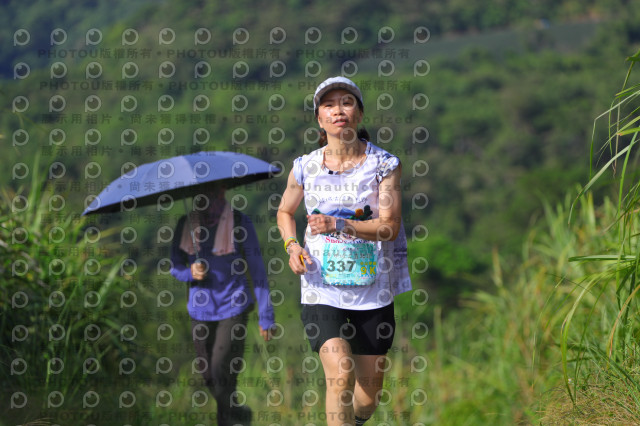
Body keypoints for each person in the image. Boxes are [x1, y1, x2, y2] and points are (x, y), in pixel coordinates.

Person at [277, 76, 412, 426]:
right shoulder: (305, 166)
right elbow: (285, 211)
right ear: (319, 120)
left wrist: (339, 224)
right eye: (329, 105)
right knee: (340, 375)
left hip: (373, 289)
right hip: (321, 286)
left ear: (360, 114)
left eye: (347, 102)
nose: (338, 110)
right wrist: (292, 246)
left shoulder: (384, 165)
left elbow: (389, 226)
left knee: (368, 396)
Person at [171, 186, 274, 426]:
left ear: (223, 191)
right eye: (202, 194)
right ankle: (239, 414)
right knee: (208, 375)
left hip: (234, 307)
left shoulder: (240, 223)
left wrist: (266, 315)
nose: (207, 199)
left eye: (213, 193)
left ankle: (228, 421)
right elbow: (174, 265)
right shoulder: (185, 225)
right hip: (199, 311)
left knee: (220, 370)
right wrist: (190, 273)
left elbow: (257, 269)